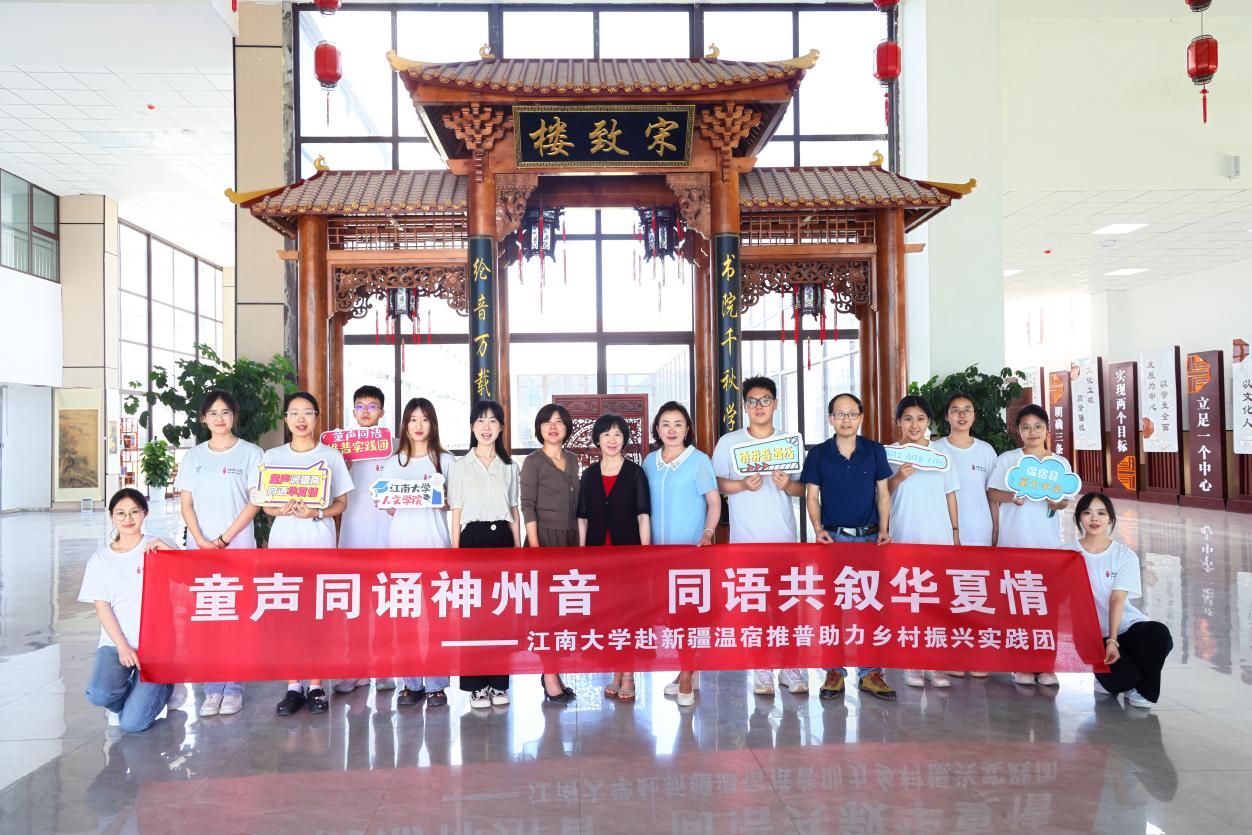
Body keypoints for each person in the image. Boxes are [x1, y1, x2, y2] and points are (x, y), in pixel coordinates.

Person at [711, 377, 807, 697]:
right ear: (745, 406)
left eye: (765, 400)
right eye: (752, 401)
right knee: (754, 608)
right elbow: (717, 483)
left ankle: (791, 667)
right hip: (745, 541)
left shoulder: (789, 442)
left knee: (787, 607)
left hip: (784, 539)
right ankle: (762, 668)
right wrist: (741, 485)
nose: (759, 406)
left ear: (775, 404)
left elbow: (803, 489)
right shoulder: (730, 442)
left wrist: (786, 485)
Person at [799, 392, 897, 702]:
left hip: (869, 539)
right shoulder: (818, 454)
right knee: (832, 608)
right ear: (830, 419)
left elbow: (883, 493)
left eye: (852, 414)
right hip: (833, 539)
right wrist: (817, 529)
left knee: (871, 606)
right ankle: (833, 672)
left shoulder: (874, 450)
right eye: (839, 414)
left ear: (860, 417)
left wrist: (885, 528)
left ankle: (871, 673)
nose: (846, 419)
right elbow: (811, 496)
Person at [174, 389, 263, 717]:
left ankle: (234, 688)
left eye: (225, 412)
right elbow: (186, 503)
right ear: (204, 419)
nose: (220, 418)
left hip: (238, 548)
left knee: (236, 619)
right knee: (208, 620)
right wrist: (199, 539)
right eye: (213, 413)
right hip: (201, 552)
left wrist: (224, 538)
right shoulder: (194, 457)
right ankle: (212, 690)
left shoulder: (251, 453)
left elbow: (255, 501)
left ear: (234, 416)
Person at [264, 391, 353, 715]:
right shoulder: (273, 456)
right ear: (286, 419)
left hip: (319, 541)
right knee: (289, 615)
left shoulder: (330, 456)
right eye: (294, 413)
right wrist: (279, 509)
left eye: (307, 413)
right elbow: (265, 503)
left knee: (317, 614)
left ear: (317, 417)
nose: (300, 419)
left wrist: (317, 513)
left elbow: (342, 502)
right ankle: (293, 686)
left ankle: (316, 685)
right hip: (284, 543)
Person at [80, 488, 179, 733]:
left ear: (145, 513)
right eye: (121, 513)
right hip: (116, 644)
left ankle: (168, 685)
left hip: (156, 645)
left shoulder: (158, 546)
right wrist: (123, 646)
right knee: (99, 694)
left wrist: (172, 554)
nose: (128, 519)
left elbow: (190, 581)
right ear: (112, 517)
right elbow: (102, 607)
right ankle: (131, 694)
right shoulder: (100, 560)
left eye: (134, 512)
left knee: (132, 724)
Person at [988, 403, 1071, 688]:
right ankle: (1020, 663)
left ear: (1047, 429)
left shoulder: (1059, 464)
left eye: (1038, 426)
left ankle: (1045, 664)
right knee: (1016, 608)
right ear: (1018, 431)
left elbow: (1064, 500)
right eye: (1026, 427)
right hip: (1013, 545)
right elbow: (992, 493)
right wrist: (1011, 497)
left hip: (1047, 547)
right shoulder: (1009, 460)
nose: (1032, 432)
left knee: (1045, 609)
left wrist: (1057, 503)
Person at [382, 397, 456, 710]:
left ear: (433, 424)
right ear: (405, 424)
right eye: (413, 419)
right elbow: (387, 506)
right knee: (405, 619)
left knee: (438, 620)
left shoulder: (446, 461)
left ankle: (437, 685)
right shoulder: (395, 462)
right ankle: (410, 684)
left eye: (424, 419)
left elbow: (455, 505)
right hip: (402, 548)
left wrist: (441, 500)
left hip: (436, 547)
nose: (419, 425)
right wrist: (390, 500)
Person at [643, 401, 718, 707]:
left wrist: (708, 533)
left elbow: (714, 502)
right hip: (657, 555)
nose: (671, 430)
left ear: (687, 429)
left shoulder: (699, 460)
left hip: (690, 551)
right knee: (671, 617)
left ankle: (687, 675)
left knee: (687, 615)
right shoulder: (649, 461)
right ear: (657, 429)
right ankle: (686, 667)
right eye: (665, 424)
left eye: (678, 424)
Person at [885, 395, 960, 690]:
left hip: (938, 538)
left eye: (920, 419)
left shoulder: (941, 455)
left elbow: (950, 494)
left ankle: (936, 662)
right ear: (899, 422)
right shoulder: (890, 454)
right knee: (909, 602)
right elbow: (882, 493)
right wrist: (898, 478)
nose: (914, 425)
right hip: (904, 535)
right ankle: (913, 662)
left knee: (936, 603)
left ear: (929, 421)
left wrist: (955, 532)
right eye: (907, 419)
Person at [449, 399, 520, 710]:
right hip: (472, 540)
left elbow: (514, 511)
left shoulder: (510, 467)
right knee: (474, 616)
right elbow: (456, 512)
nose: (486, 427)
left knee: (501, 614)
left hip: (502, 540)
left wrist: (518, 551)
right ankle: (476, 686)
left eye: (492, 421)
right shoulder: (460, 466)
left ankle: (499, 682)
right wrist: (455, 555)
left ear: (501, 427)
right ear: (472, 427)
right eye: (480, 421)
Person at [578, 412, 651, 702]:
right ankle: (616, 672)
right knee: (608, 618)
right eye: (606, 434)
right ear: (597, 439)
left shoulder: (635, 473)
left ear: (624, 440)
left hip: (628, 558)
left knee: (628, 617)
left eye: (618, 434)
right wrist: (582, 557)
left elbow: (643, 517)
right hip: (598, 559)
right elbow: (582, 518)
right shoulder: (589, 475)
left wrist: (645, 556)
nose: (612, 440)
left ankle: (628, 675)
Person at [1075, 492, 1173, 709]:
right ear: (1079, 517)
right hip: (1090, 636)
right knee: (1122, 679)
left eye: (1101, 513)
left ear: (1110, 519)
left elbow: (1117, 599)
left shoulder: (1124, 555)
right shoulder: (1066, 553)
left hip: (1124, 627)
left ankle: (1143, 690)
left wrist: (1112, 640)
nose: (1094, 518)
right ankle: (1110, 679)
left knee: (1158, 634)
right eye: (1087, 512)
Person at [930, 392, 998, 679]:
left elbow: (992, 495)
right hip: (943, 533)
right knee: (948, 596)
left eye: (967, 409)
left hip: (980, 532)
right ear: (946, 416)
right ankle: (952, 654)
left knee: (977, 595)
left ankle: (978, 654)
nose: (961, 415)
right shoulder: (935, 449)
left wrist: (996, 532)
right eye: (955, 410)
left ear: (974, 415)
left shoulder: (986, 451)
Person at [335, 384, 395, 696]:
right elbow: (328, 488)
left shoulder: (393, 445)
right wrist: (341, 462)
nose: (366, 411)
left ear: (382, 411)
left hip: (385, 535)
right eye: (360, 406)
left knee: (384, 605)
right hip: (353, 535)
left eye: (372, 406)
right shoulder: (341, 447)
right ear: (353, 411)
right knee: (354, 608)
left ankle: (384, 669)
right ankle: (354, 670)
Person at [521, 403, 580, 704]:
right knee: (546, 615)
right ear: (539, 428)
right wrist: (535, 549)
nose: (553, 427)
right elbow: (527, 506)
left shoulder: (573, 459)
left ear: (567, 428)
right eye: (547, 422)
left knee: (563, 613)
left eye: (559, 422)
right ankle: (550, 676)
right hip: (543, 541)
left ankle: (553, 671)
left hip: (569, 541)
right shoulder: (533, 461)